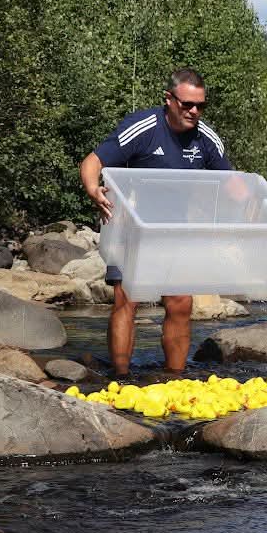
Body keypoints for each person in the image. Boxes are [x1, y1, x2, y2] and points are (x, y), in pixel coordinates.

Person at [79, 68, 232, 376]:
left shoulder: (206, 138)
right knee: (127, 298)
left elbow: (232, 182)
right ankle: (120, 379)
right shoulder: (143, 127)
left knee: (180, 303)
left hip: (175, 232)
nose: (194, 111)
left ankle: (175, 378)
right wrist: (94, 190)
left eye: (201, 106)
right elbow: (93, 162)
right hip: (129, 229)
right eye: (187, 104)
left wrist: (251, 202)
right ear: (169, 99)